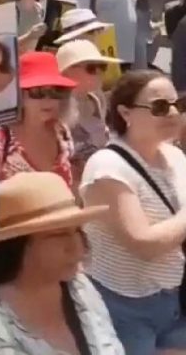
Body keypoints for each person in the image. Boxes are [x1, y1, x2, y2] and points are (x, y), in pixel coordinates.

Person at [0, 172, 120, 354]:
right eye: (58, 235)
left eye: (77, 231)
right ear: (16, 245)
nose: (77, 247)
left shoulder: (80, 288)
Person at [79, 70, 186, 354]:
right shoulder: (107, 167)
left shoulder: (175, 157)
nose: (174, 113)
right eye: (160, 107)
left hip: (174, 300)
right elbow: (144, 244)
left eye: (179, 105)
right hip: (123, 306)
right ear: (125, 113)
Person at [0, 52, 78, 188]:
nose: (47, 100)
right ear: (19, 96)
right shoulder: (0, 137)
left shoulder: (62, 132)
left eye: (56, 91)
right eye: (37, 92)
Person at [57, 40, 119, 170]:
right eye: (91, 68)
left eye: (102, 67)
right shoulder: (57, 107)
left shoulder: (96, 99)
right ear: (67, 71)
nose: (100, 73)